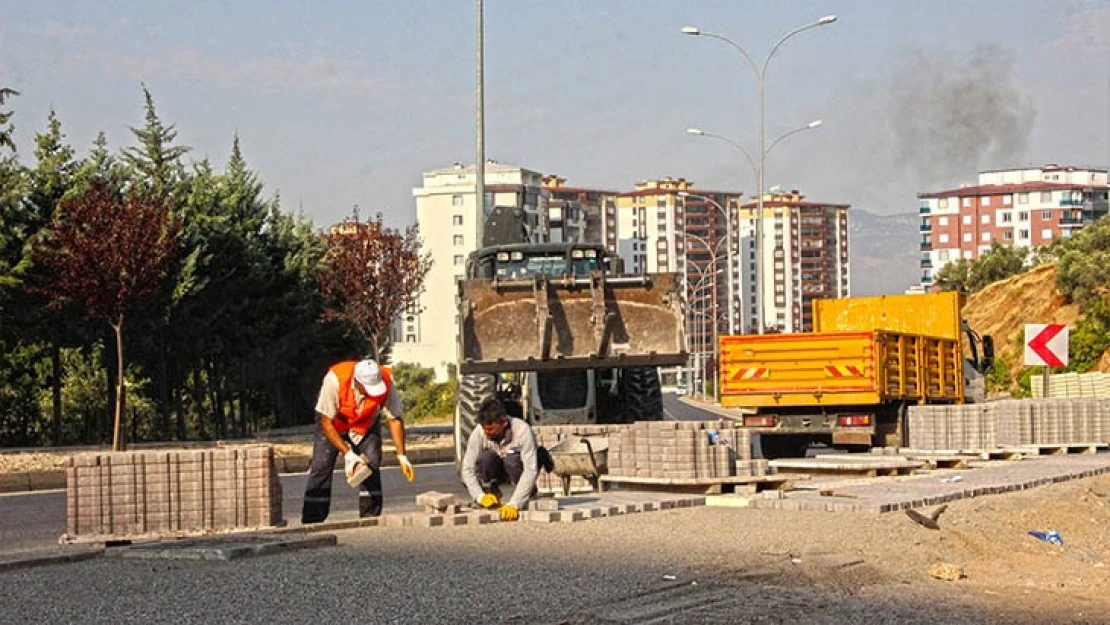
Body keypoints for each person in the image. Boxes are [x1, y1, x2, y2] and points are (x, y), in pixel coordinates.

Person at [301, 358, 415, 523]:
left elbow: (395, 418)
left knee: (372, 461)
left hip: (364, 423)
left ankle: (370, 517)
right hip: (334, 424)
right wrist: (348, 454)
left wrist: (402, 455)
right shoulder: (335, 381)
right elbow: (326, 423)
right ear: (357, 382)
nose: (373, 393)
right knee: (322, 465)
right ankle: (312, 521)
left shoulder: (386, 381)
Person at [460, 397, 552, 522]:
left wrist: (515, 504)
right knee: (486, 458)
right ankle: (491, 492)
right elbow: (467, 469)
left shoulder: (522, 430)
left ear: (504, 422)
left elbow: (530, 470)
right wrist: (479, 496)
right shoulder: (479, 433)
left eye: (491, 429)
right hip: (497, 470)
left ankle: (527, 493)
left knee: (512, 460)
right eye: (484, 428)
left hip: (516, 470)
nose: (487, 433)